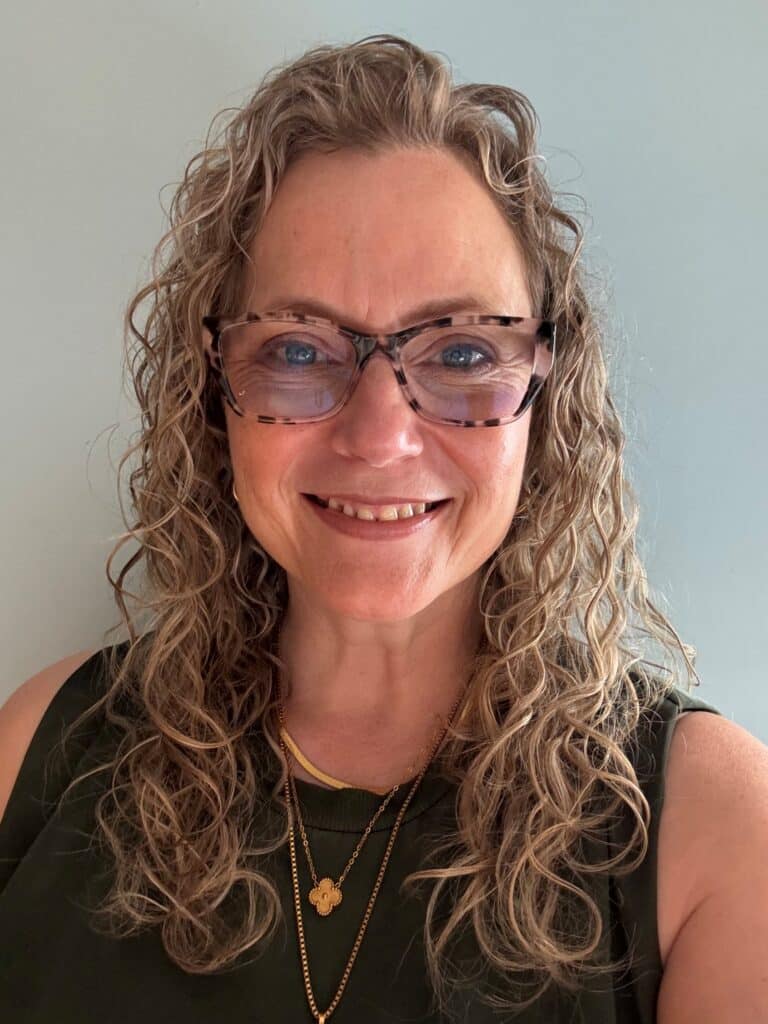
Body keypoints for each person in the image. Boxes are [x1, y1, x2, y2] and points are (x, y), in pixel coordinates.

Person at [1, 32, 766, 1024]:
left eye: (459, 349)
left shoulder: (712, 832)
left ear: (547, 391)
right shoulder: (40, 752)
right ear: (215, 387)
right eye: (298, 348)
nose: (379, 436)